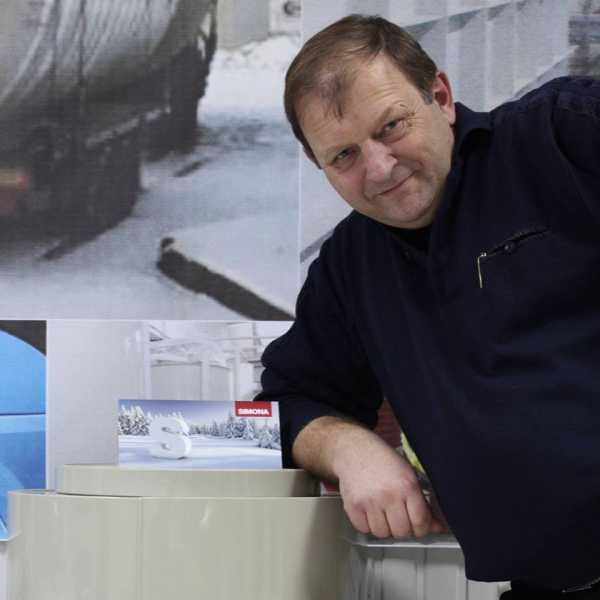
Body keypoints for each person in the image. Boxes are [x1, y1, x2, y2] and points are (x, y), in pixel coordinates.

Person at [255, 14, 600, 599]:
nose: (379, 168)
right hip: (550, 586)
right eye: (344, 155)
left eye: (391, 126)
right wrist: (349, 448)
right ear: (317, 164)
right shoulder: (349, 268)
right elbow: (282, 404)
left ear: (439, 96)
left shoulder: (563, 134)